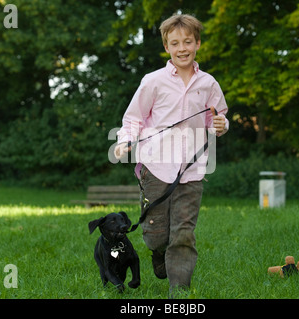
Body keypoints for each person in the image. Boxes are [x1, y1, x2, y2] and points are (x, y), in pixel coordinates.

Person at [114, 13, 229, 297]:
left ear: (198, 43)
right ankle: (157, 252)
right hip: (155, 167)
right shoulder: (153, 81)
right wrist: (125, 141)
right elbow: (134, 118)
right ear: (167, 47)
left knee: (184, 231)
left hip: (191, 170)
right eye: (175, 43)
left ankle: (179, 289)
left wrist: (221, 124)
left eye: (187, 42)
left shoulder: (209, 84)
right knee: (156, 234)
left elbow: (219, 116)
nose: (182, 48)